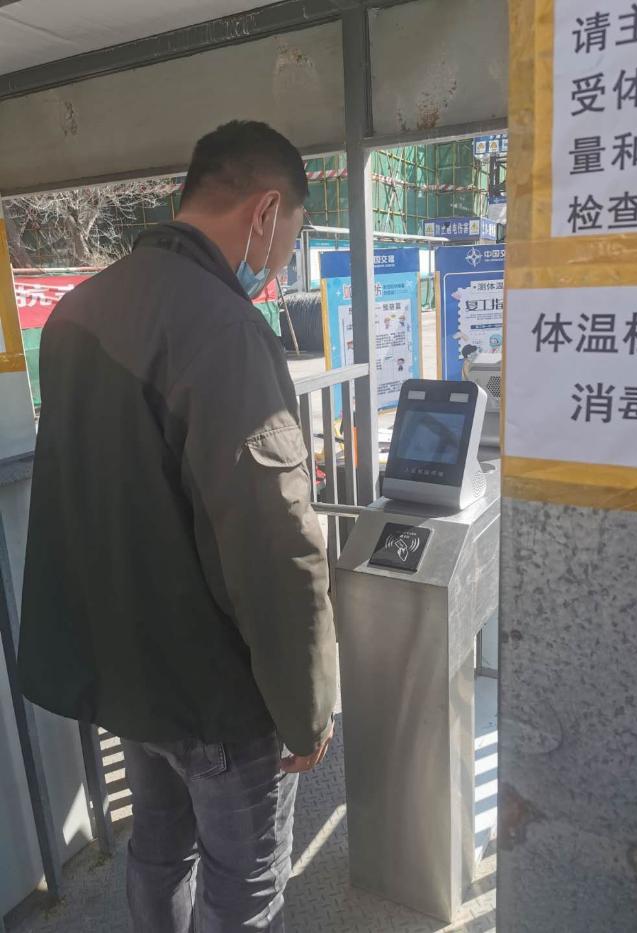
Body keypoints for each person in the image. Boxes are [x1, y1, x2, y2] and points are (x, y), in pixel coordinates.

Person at [18, 121, 337, 932]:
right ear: (265, 212)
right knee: (246, 886)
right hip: (216, 691)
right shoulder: (225, 329)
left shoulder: (78, 312)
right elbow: (277, 543)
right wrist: (306, 707)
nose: (280, 262)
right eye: (291, 237)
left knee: (159, 848)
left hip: (129, 674)